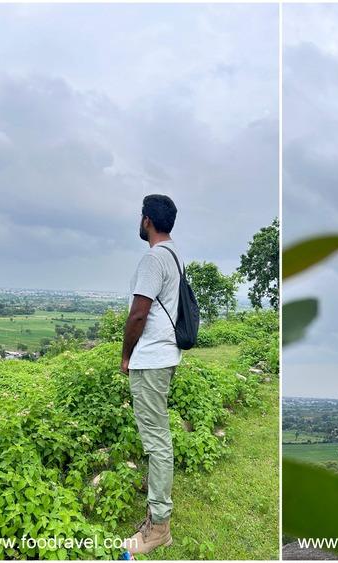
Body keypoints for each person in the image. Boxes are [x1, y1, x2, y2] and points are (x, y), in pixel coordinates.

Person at [120, 194, 183, 555]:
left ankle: (159, 526)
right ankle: (155, 509)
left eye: (140, 217)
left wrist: (126, 355)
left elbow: (138, 316)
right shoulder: (174, 256)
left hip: (150, 359)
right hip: (165, 356)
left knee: (157, 441)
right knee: (158, 436)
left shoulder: (153, 258)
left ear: (147, 221)